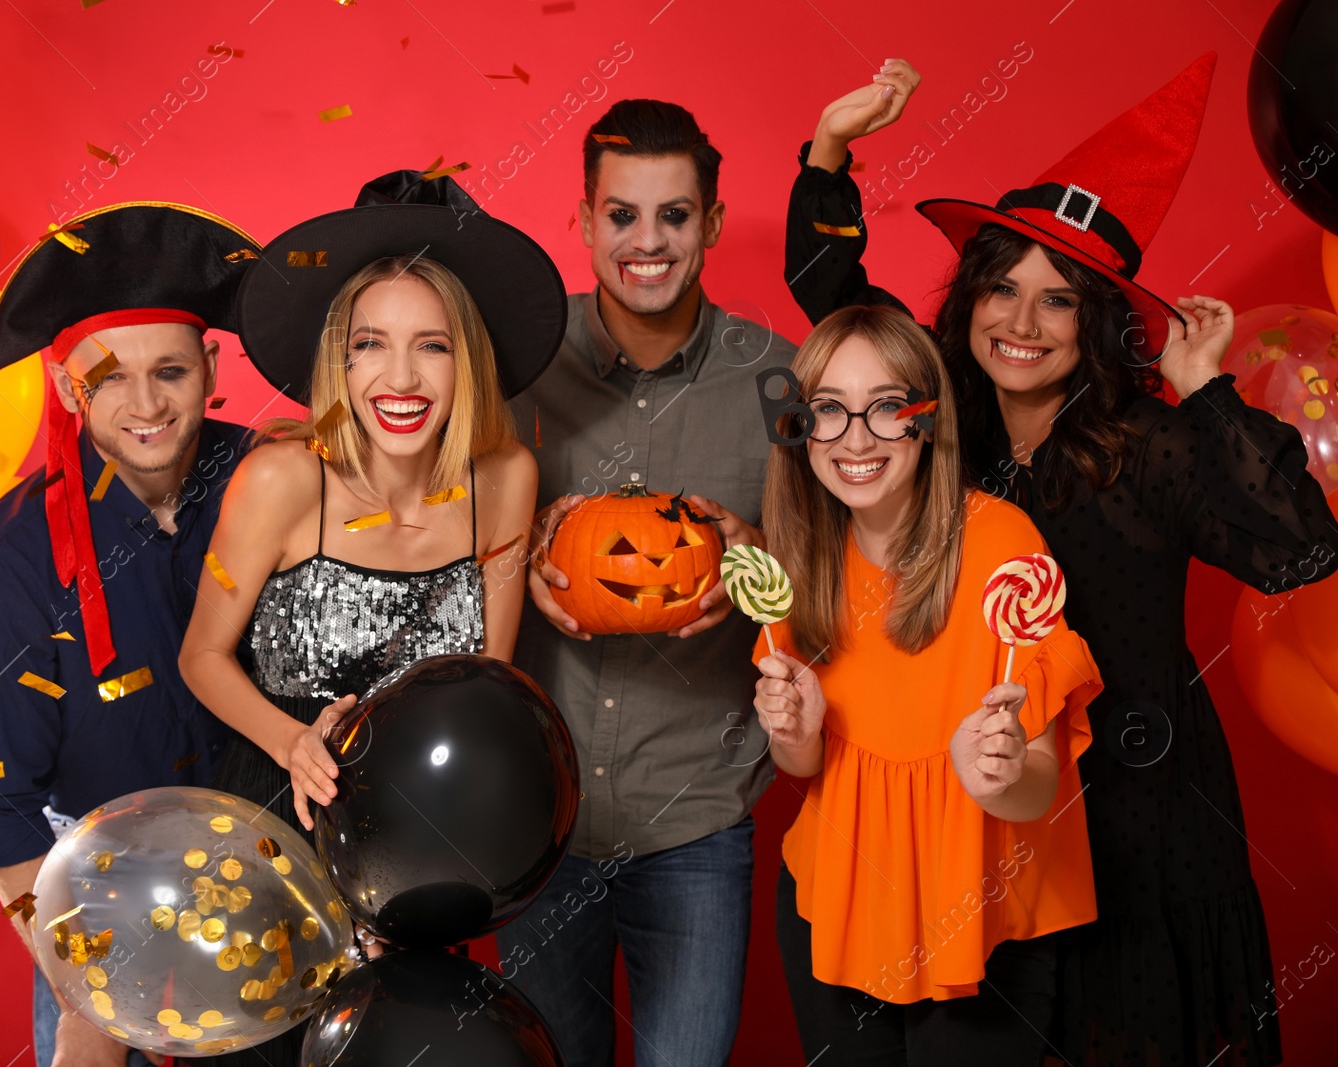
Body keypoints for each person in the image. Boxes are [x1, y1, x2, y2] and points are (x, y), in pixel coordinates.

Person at [786, 54, 1338, 1065]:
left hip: (1139, 806)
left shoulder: (1155, 443)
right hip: (984, 806)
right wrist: (830, 148)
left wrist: (1204, 388)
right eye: (1001, 290)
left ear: (1098, 320)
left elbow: (1299, 550)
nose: (1020, 323)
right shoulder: (938, 423)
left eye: (1058, 300)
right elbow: (838, 311)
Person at [177, 170, 560, 1066]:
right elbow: (201, 656)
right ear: (338, 362)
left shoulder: (505, 481)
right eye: (370, 345)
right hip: (278, 827)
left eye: (432, 346)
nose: (399, 377)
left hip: (421, 845)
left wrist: (416, 882)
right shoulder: (281, 482)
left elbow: (491, 695)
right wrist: (293, 742)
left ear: (469, 359)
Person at [497, 99, 794, 1067]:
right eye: (622, 214)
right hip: (540, 813)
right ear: (583, 221)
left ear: (709, 222)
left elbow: (822, 594)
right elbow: (426, 526)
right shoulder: (512, 369)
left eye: (674, 214)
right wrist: (513, 541)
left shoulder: (777, 382)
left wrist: (751, 559)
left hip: (696, 814)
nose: (647, 241)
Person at [0, 203, 262, 1067]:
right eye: (110, 377)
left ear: (212, 365)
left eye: (171, 371)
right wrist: (92, 986)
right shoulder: (12, 553)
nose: (146, 404)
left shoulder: (272, 483)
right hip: (96, 924)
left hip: (266, 911)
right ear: (64, 386)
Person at [753, 303, 1102, 1064]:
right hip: (835, 905)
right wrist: (795, 736)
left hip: (982, 924)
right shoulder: (800, 564)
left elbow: (1038, 784)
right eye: (828, 411)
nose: (855, 438)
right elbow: (804, 774)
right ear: (800, 427)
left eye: (885, 408)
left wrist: (999, 775)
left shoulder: (1003, 545)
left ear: (927, 419)